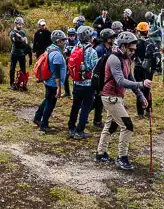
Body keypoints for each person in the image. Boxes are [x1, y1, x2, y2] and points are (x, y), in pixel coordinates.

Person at [95, 32, 152, 171]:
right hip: (110, 98)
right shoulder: (114, 59)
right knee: (128, 126)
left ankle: (100, 153)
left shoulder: (127, 59)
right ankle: (122, 158)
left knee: (111, 126)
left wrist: (141, 96)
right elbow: (120, 80)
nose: (133, 52)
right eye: (131, 49)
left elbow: (130, 78)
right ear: (123, 46)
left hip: (117, 98)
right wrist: (141, 84)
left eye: (134, 49)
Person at [66, 27, 100, 139]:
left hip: (76, 82)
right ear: (89, 37)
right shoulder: (92, 51)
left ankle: (71, 127)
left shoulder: (76, 47)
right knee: (85, 108)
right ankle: (79, 131)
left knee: (75, 106)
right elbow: (93, 67)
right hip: (88, 84)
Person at [33, 30, 68, 133]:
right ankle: (44, 125)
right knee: (50, 104)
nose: (64, 42)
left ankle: (37, 117)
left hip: (48, 81)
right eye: (62, 40)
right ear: (57, 42)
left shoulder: (49, 49)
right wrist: (59, 88)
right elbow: (57, 73)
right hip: (53, 83)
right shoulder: (56, 55)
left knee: (47, 100)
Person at [133, 23, 158, 117]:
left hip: (139, 68)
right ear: (147, 31)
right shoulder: (152, 42)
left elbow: (133, 55)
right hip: (149, 70)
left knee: (139, 89)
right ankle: (149, 109)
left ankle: (140, 113)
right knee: (147, 89)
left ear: (139, 32)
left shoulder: (137, 42)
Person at [9, 17, 31, 91]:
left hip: (22, 53)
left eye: (22, 24)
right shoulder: (12, 32)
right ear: (15, 24)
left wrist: (20, 38)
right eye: (19, 24)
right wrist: (21, 40)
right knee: (12, 68)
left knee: (23, 69)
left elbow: (26, 42)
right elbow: (15, 40)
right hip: (14, 53)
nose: (21, 26)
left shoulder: (22, 32)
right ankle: (12, 83)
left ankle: (23, 83)